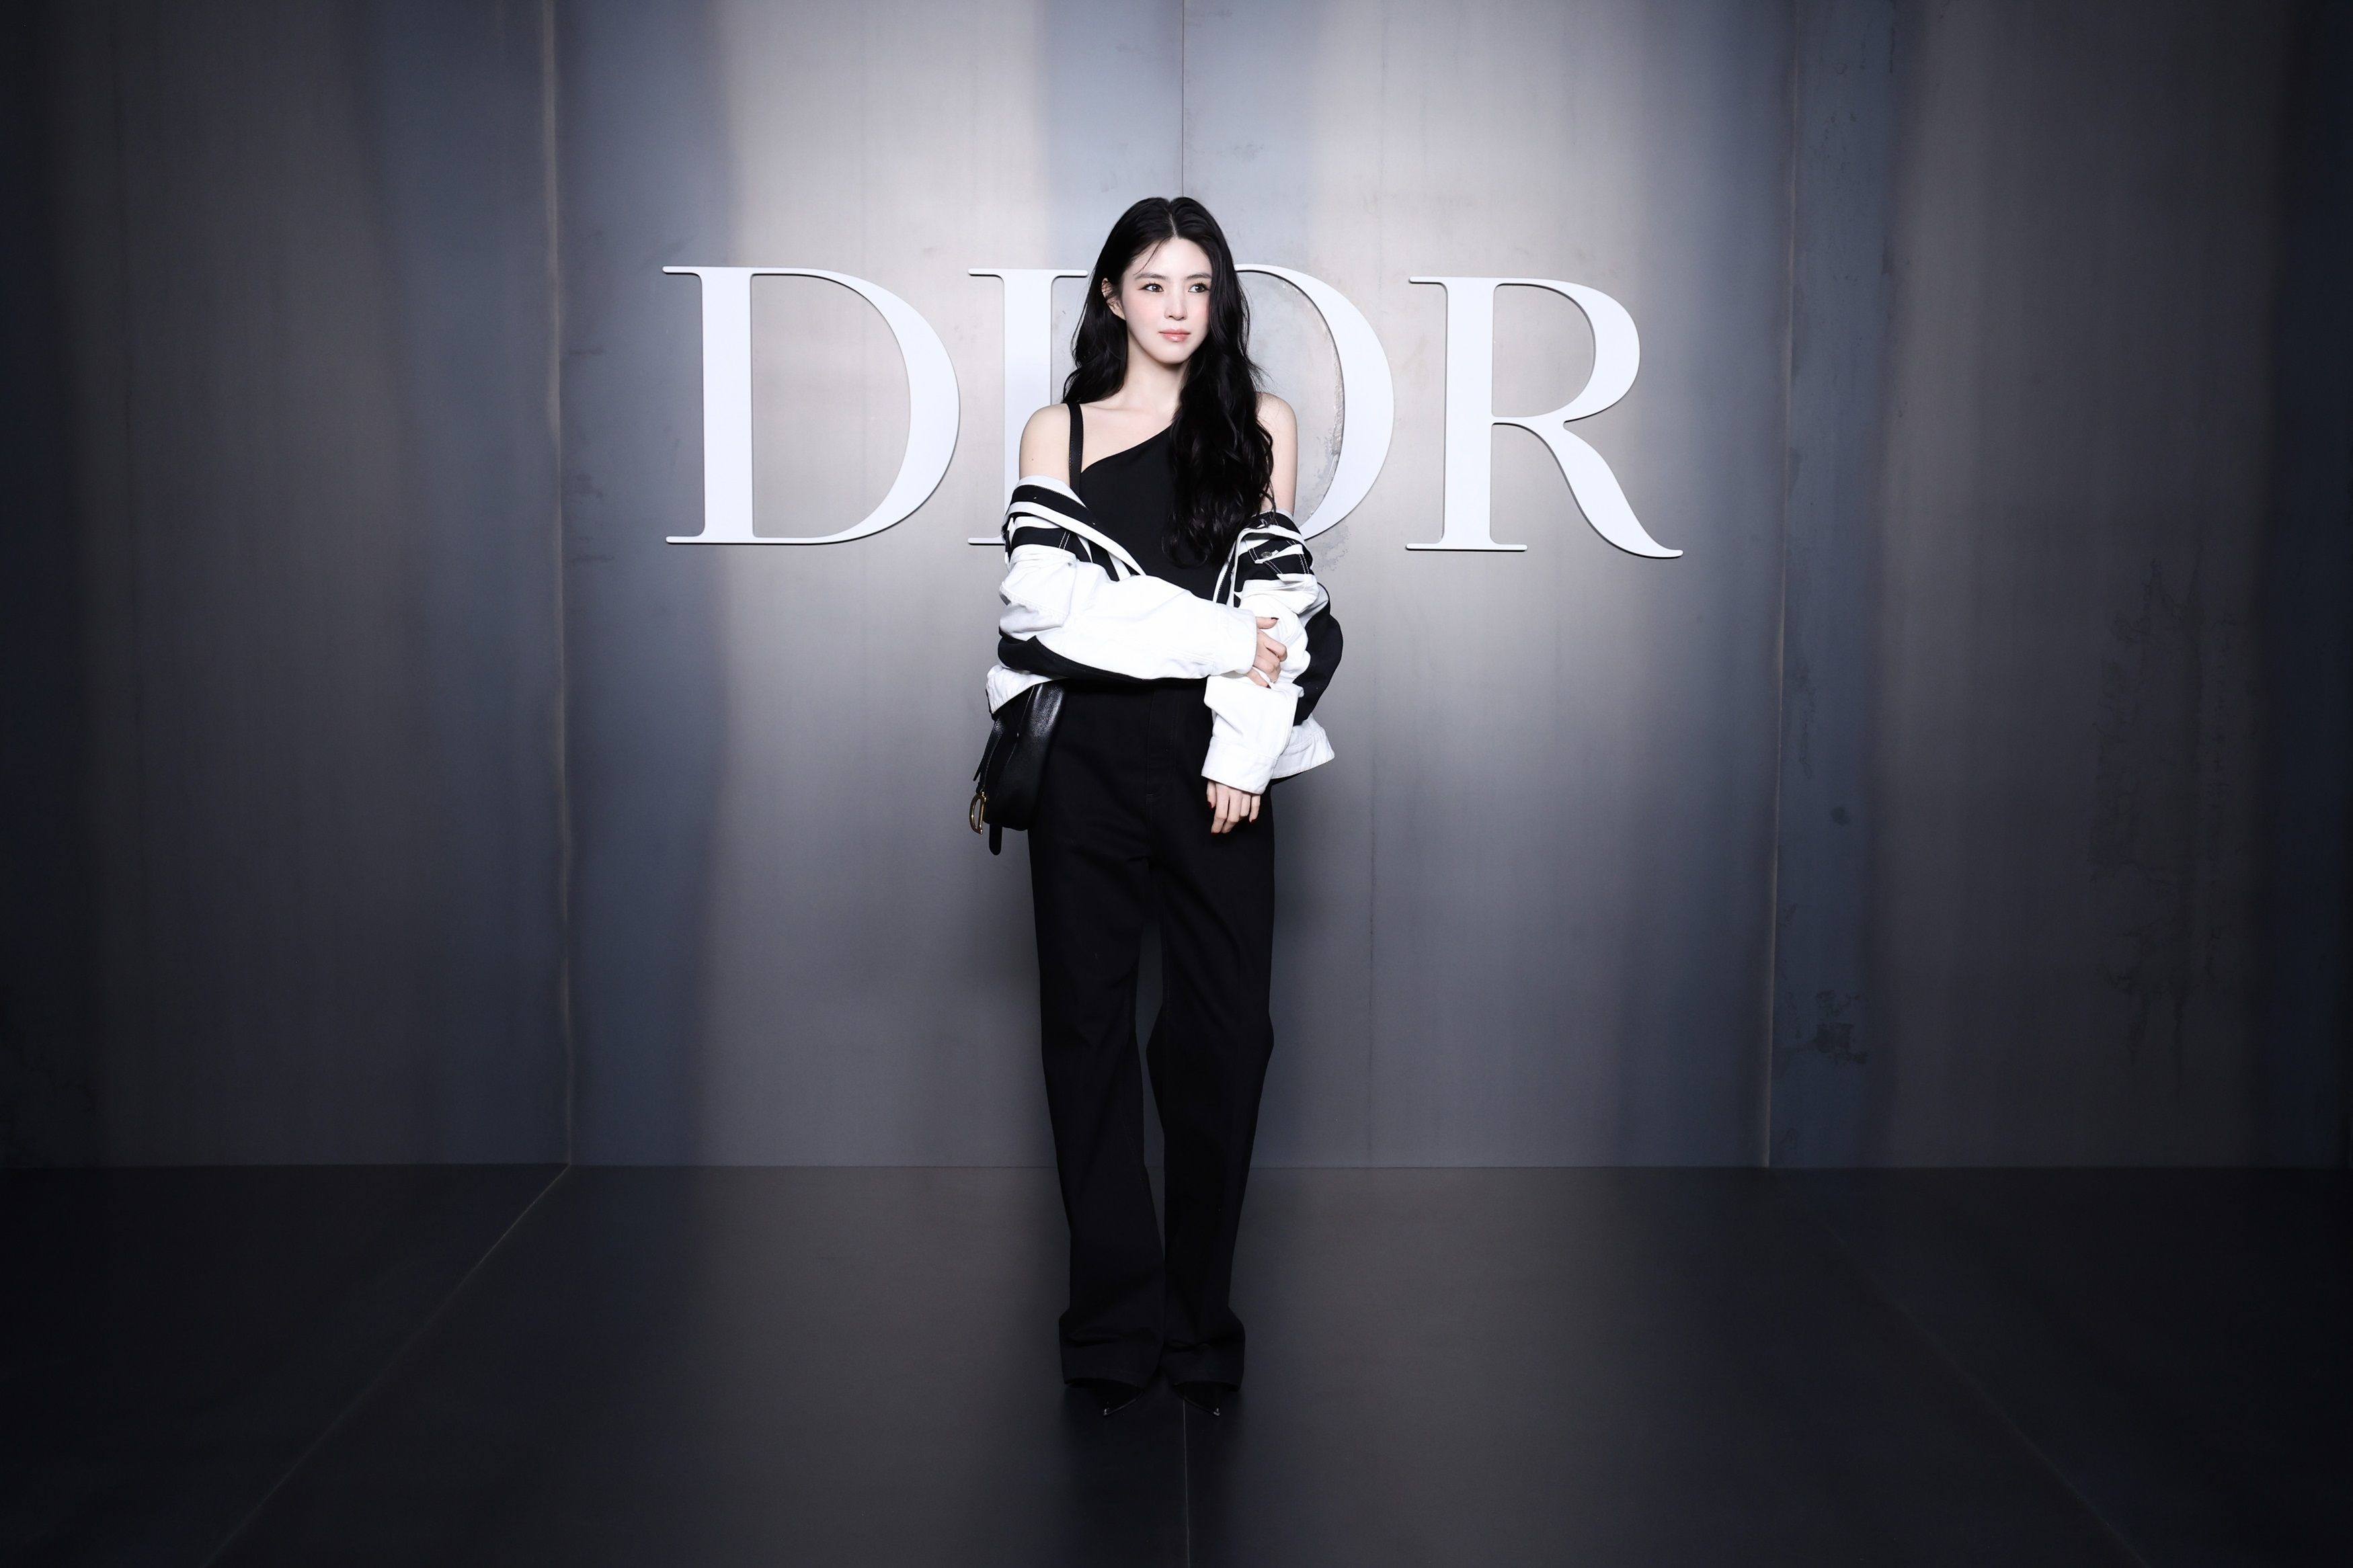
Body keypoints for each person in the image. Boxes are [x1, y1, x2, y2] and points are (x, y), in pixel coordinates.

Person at [984, 196, 1343, 1417]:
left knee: (1225, 1039)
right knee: (1085, 1034)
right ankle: (1109, 1326)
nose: (1177, 308)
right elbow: (1047, 609)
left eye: (1198, 285)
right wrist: (1220, 636)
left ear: (1219, 297)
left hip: (1217, 765)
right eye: (1152, 284)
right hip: (1083, 759)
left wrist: (1244, 746)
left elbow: (1284, 613)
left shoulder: (1258, 423)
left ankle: (1197, 1324)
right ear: (1112, 296)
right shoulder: (1062, 428)